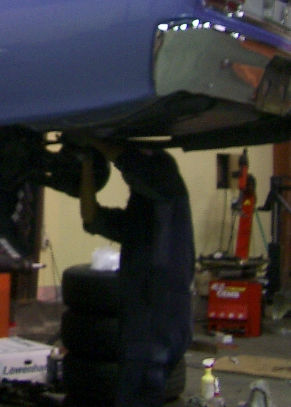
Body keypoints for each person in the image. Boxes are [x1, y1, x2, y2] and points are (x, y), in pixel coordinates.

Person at [74, 136, 194, 407]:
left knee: (138, 396)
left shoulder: (168, 191)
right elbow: (91, 218)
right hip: (145, 323)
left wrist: (94, 138)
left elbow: (131, 164)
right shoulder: (140, 221)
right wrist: (87, 163)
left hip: (159, 325)